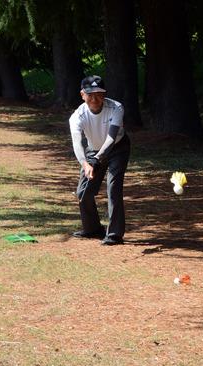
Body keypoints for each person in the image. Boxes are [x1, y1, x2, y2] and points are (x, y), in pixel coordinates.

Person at [69, 75, 131, 245]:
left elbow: (111, 138)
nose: (95, 99)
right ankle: (92, 228)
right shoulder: (77, 116)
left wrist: (97, 160)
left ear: (104, 94)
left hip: (118, 148)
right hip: (92, 150)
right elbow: (77, 144)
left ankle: (114, 234)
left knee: (113, 188)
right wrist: (86, 163)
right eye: (90, 95)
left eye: (99, 94)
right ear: (82, 95)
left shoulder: (116, 107)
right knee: (83, 191)